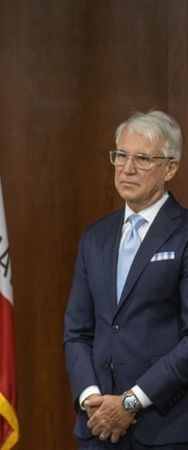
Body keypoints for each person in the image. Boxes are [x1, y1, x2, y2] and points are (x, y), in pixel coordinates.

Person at [64, 110, 188, 448]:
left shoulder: (184, 234)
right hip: (97, 427)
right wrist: (91, 397)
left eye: (142, 159)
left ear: (171, 168)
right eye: (121, 155)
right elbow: (77, 330)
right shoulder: (95, 237)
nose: (127, 168)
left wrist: (131, 401)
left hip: (163, 430)